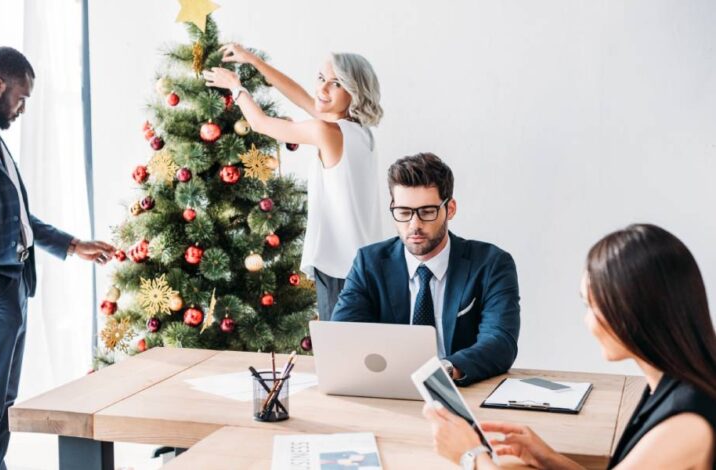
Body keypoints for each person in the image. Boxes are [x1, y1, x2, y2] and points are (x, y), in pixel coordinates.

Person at [0, 47, 115, 470]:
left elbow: (16, 216)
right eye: (21, 98)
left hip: (14, 285)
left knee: (2, 404)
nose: (21, 108)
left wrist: (72, 245)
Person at [423, 224, 716, 469]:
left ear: (635, 310)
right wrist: (548, 458)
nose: (587, 321)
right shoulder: (668, 387)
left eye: (592, 305)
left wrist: (471, 455)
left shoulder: (684, 423)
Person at [203, 44, 384, 321]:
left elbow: (262, 124)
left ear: (355, 92)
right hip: (365, 265)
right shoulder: (361, 133)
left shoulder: (327, 131)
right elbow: (301, 97)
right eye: (321, 78)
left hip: (340, 267)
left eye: (335, 84)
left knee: (339, 350)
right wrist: (254, 61)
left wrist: (235, 87)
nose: (322, 90)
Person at [331, 152, 520, 385]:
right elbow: (343, 335)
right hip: (388, 390)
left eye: (427, 212)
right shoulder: (368, 263)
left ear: (449, 209)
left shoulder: (492, 264)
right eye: (403, 212)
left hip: (459, 390)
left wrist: (445, 370)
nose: (414, 225)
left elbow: (500, 342)